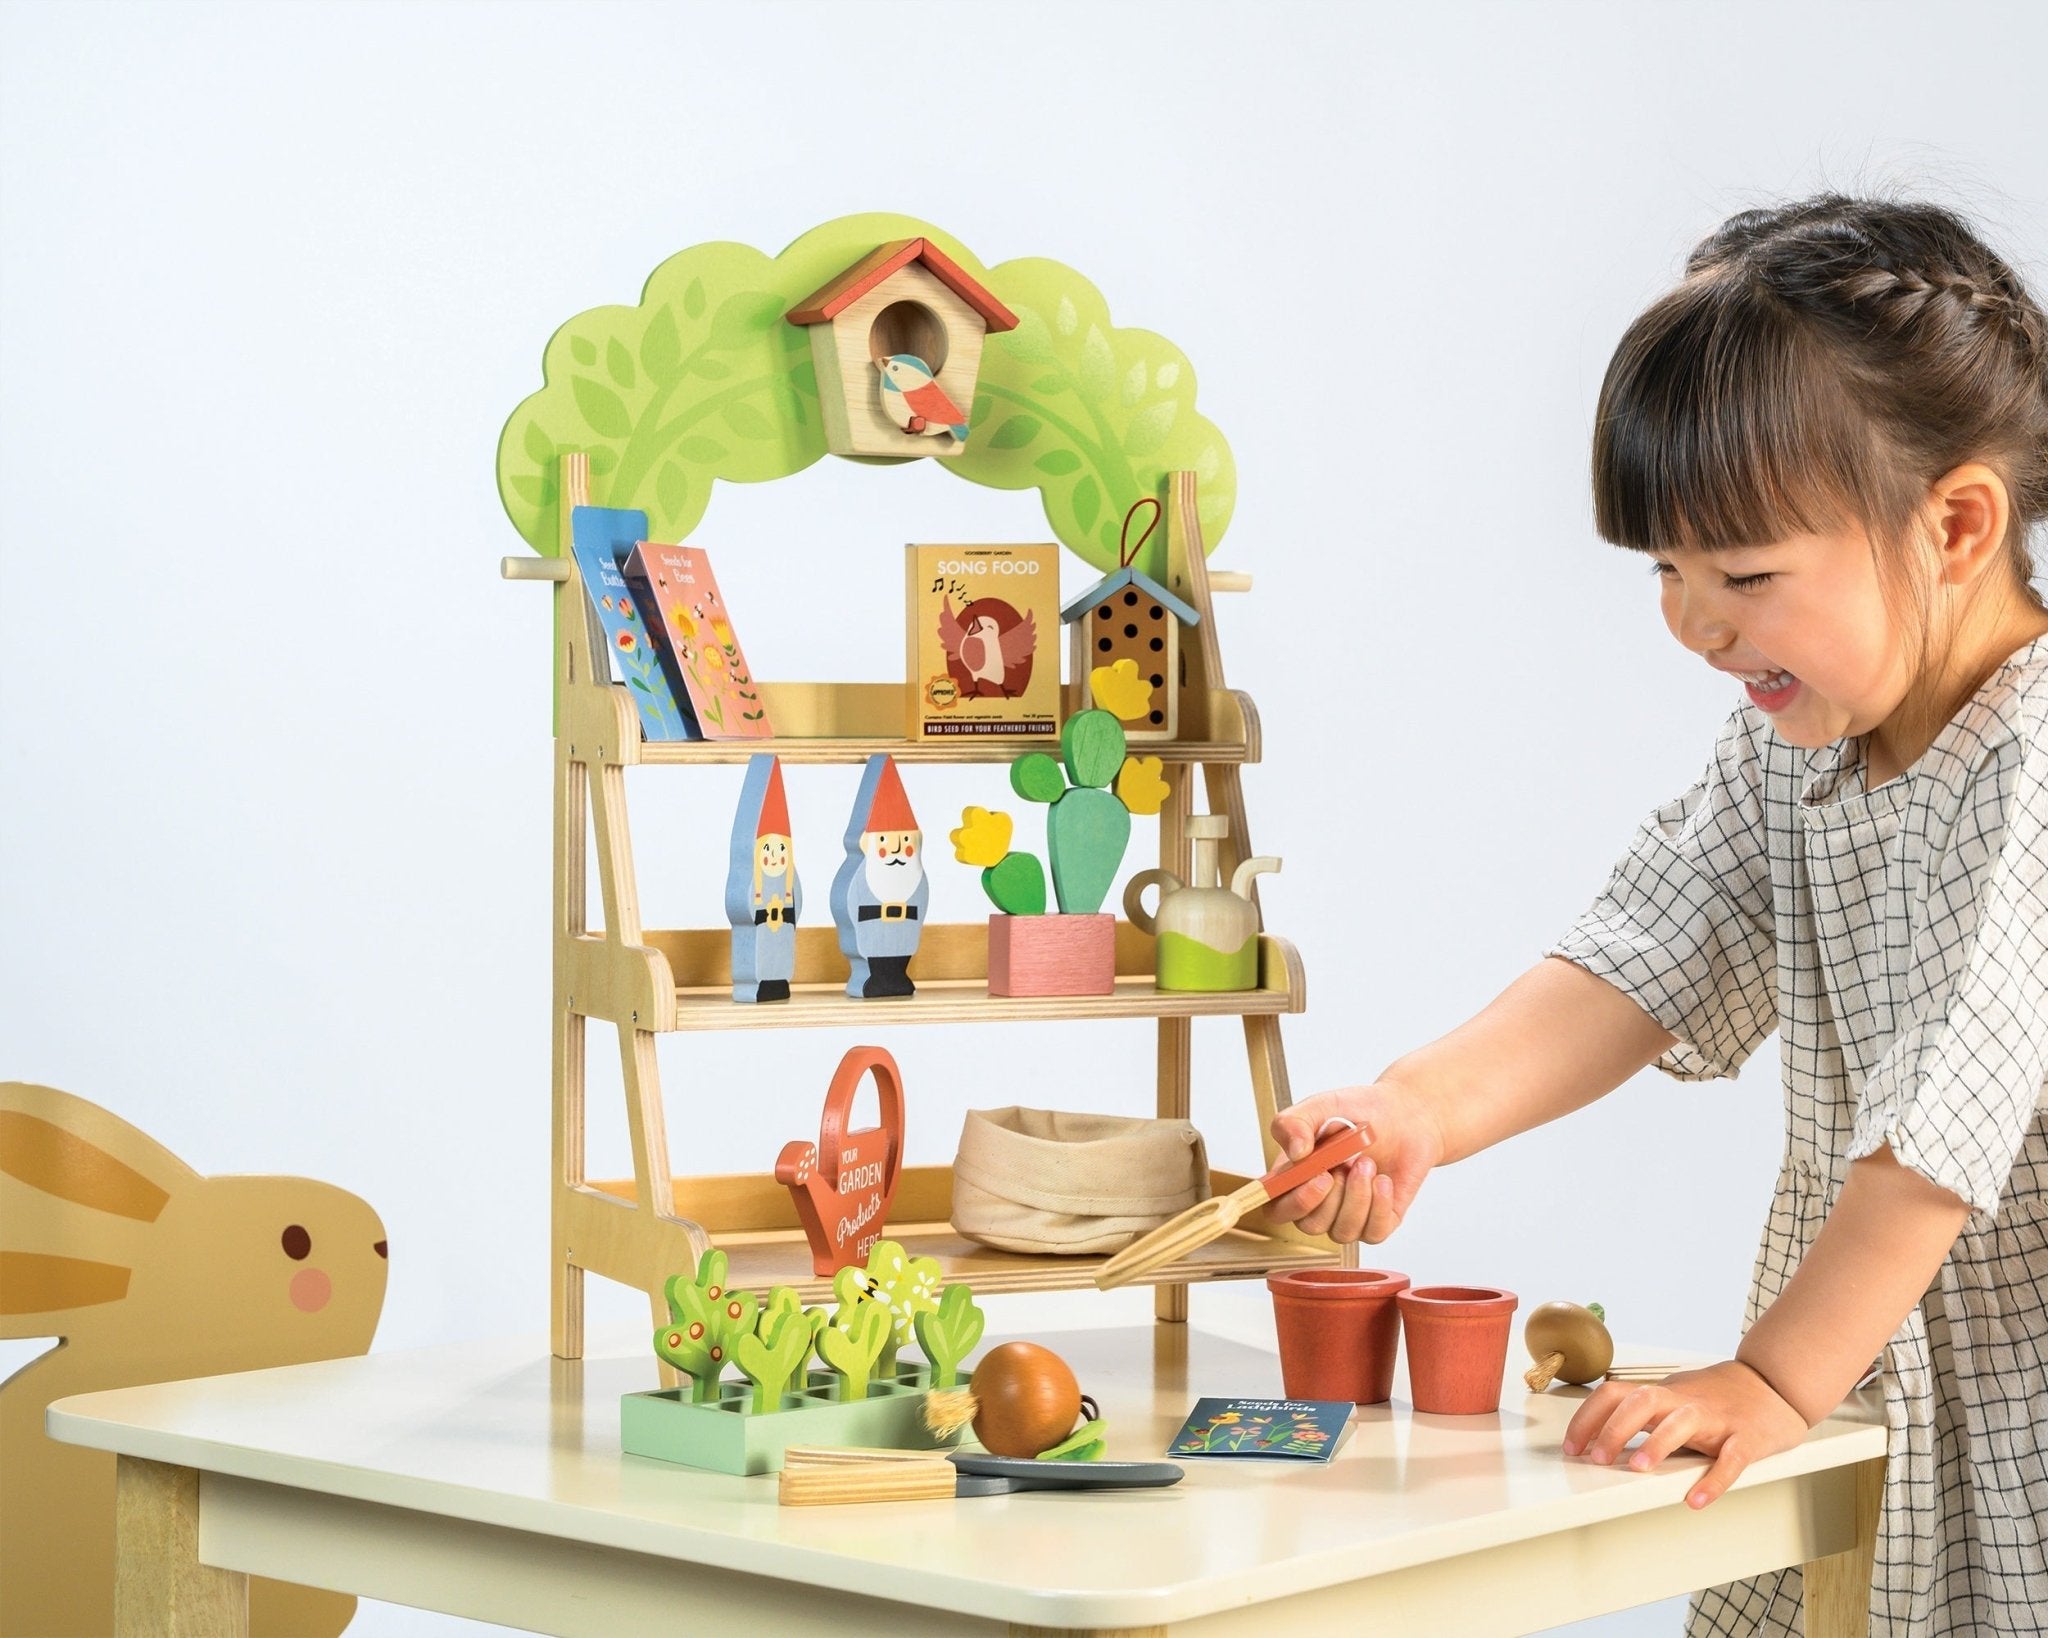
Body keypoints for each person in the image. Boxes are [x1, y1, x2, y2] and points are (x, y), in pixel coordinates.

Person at [1268, 195, 2048, 1636]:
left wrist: (1773, 1379)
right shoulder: (1799, 749)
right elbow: (1643, 958)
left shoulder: (2031, 763)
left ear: (1955, 525)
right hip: (1862, 1374)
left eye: (1746, 575)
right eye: (1667, 573)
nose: (1695, 624)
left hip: (2007, 1392)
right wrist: (1418, 1105)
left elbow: (1935, 1152)